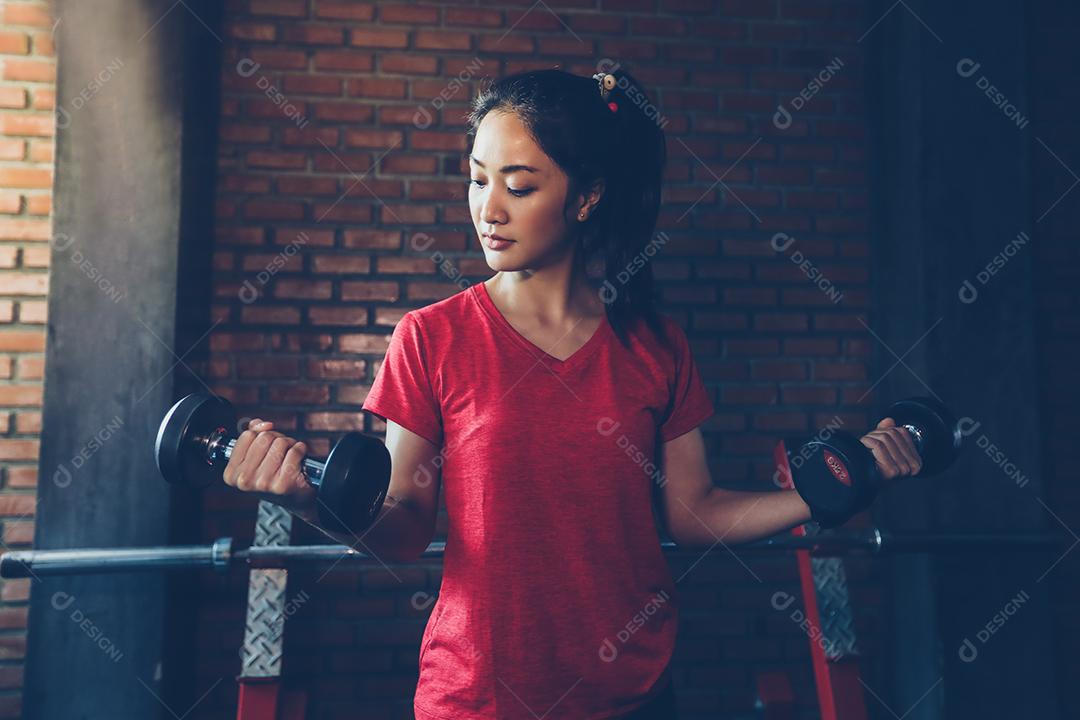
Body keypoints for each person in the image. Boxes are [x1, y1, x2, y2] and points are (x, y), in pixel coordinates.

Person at [221, 67, 922, 719]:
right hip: (479, 699)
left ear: (586, 197)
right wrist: (310, 498)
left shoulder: (655, 346)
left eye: (518, 186)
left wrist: (831, 487)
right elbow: (403, 529)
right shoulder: (430, 338)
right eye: (475, 179)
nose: (487, 209)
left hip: (635, 694)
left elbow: (695, 512)